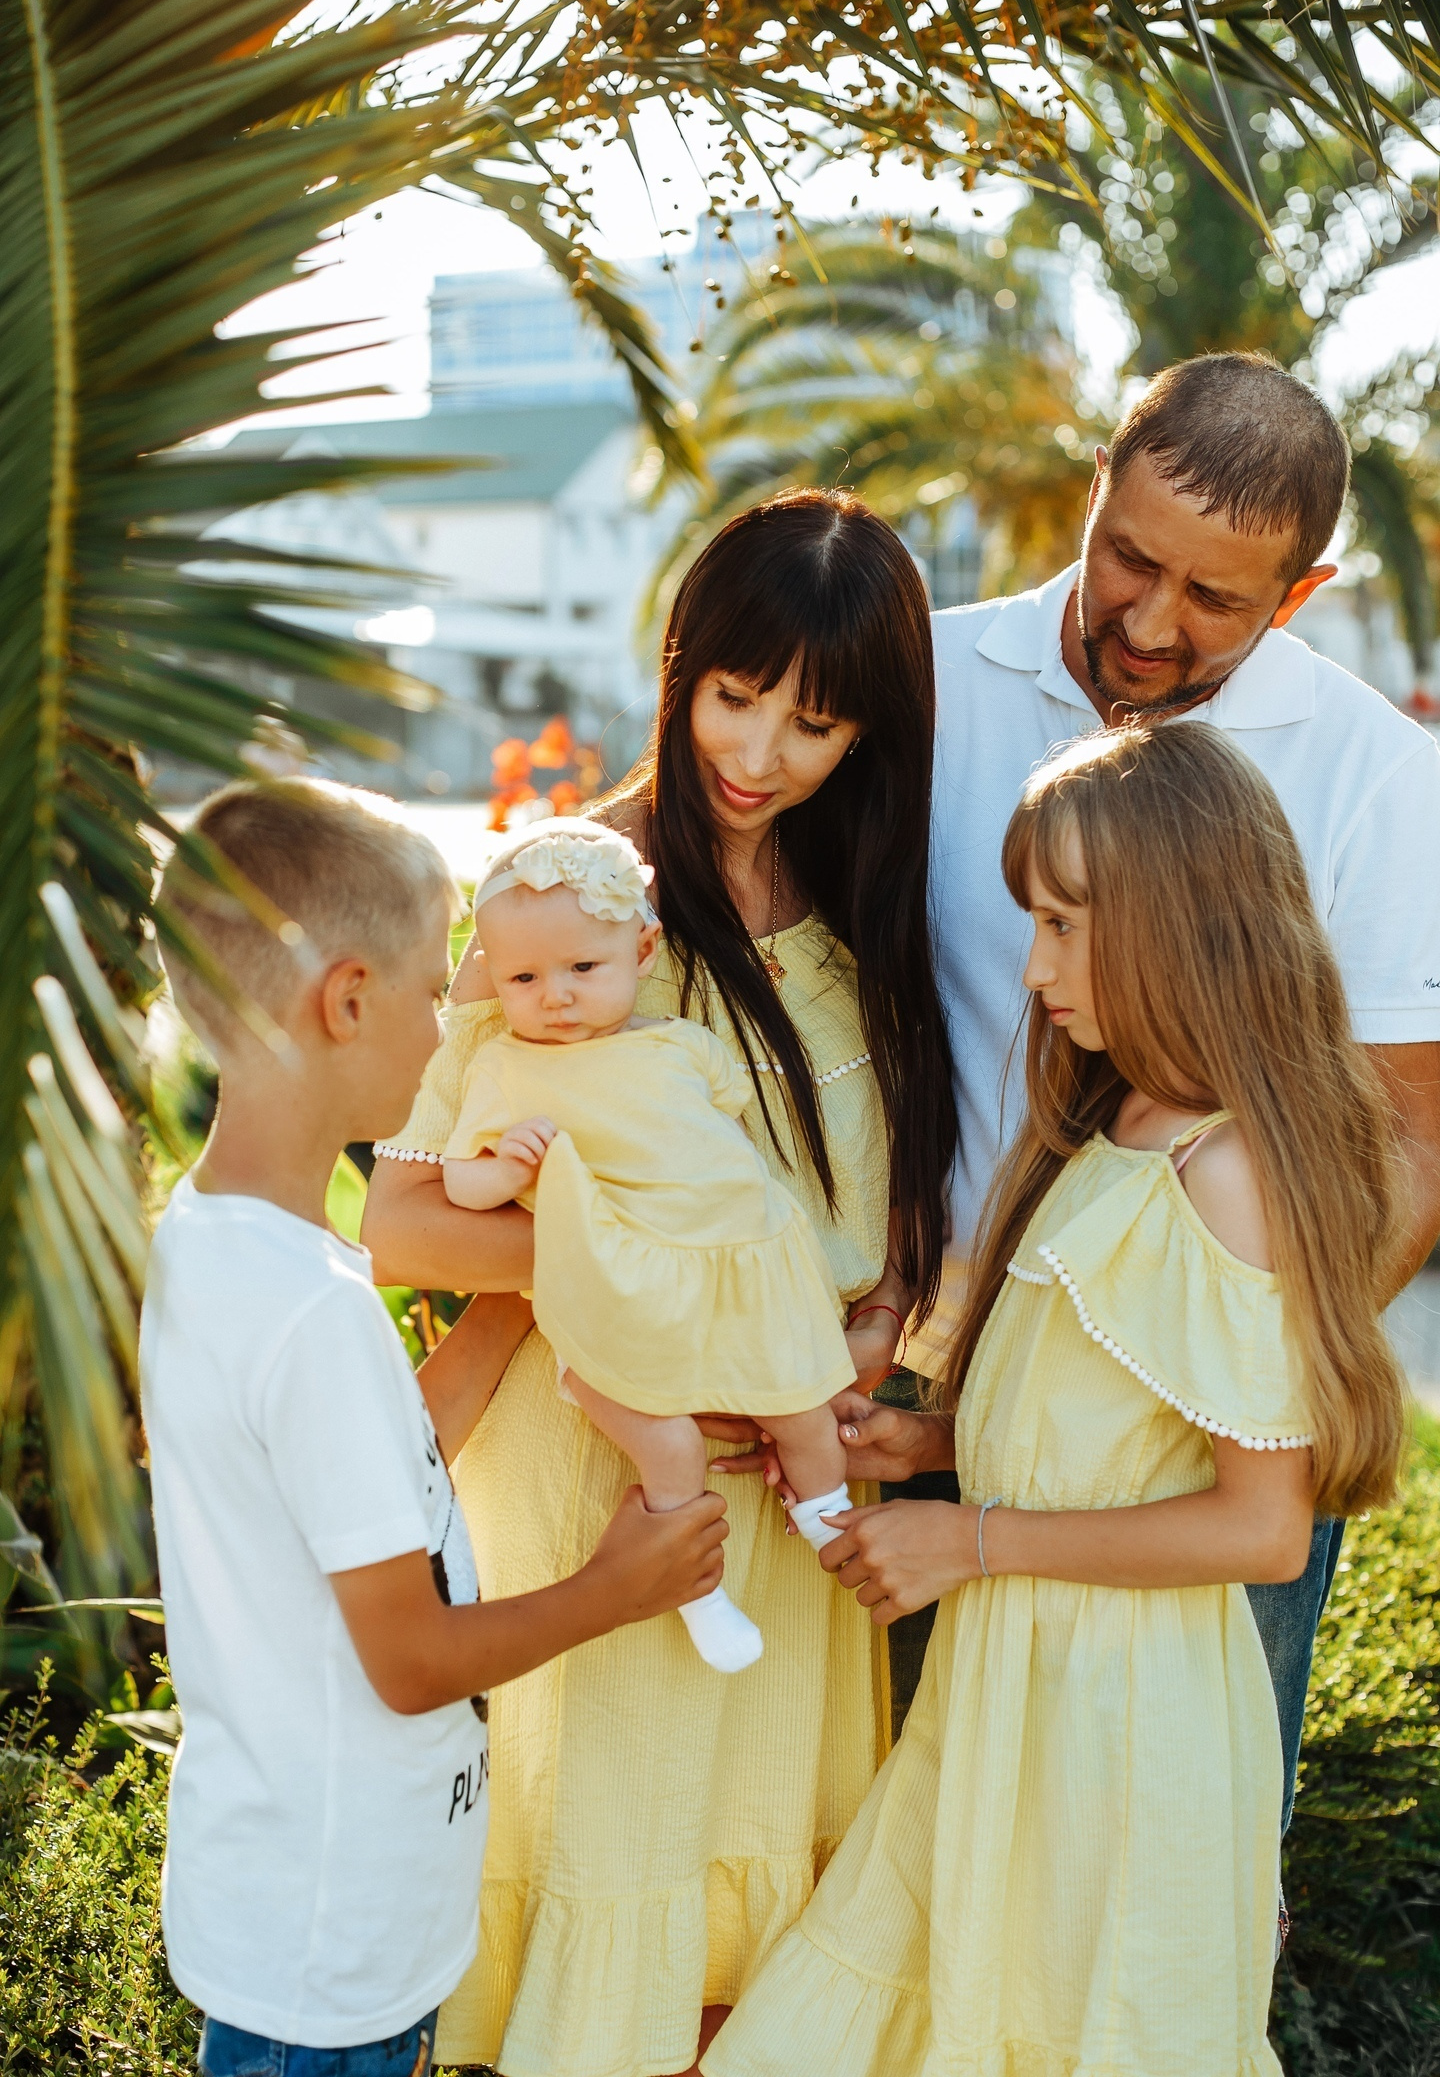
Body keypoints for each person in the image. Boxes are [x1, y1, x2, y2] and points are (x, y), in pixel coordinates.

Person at [703, 720, 1407, 2077]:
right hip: (1018, 1696)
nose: (1034, 970)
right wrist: (931, 1440)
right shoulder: (1116, 1126)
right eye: (1037, 921)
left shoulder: (1226, 1174)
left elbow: (1262, 1529)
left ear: (1182, 924)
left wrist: (966, 1539)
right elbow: (1111, 1431)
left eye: (1069, 926)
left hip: (1118, 1739)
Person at [361, 488, 956, 2077]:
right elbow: (407, 1228)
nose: (758, 754)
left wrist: (868, 1334)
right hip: (612, 1482)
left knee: (751, 1976)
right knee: (609, 1942)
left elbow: (880, 1217)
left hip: (789, 1487)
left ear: (868, 740)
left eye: (814, 725)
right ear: (681, 666)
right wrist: (665, 1310)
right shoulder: (569, 904)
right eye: (734, 696)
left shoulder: (865, 917)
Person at [910, 350, 1440, 1808]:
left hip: (1204, 1457)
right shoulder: (923, 670)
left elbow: (1409, 1143)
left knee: (1172, 1866)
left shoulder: (1379, 778)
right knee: (920, 1858)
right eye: (1129, 558)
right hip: (912, 1402)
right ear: (1094, 489)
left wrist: (1201, 1404)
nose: (1148, 622)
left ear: (1302, 593)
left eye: (1214, 599)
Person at [143, 779, 727, 2077]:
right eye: (431, 991)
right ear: (345, 1002)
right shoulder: (310, 1315)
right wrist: (613, 1589)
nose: (450, 1021)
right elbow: (410, 1663)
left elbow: (369, 1465)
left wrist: (533, 1286)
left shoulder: (229, 1247)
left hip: (310, 1908)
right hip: (329, 1952)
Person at [441, 817, 860, 1674]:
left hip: (732, 1278)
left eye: (581, 969)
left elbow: (729, 1118)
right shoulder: (507, 1070)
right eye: (524, 977)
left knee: (801, 1411)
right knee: (667, 1447)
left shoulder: (682, 1045)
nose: (554, 996)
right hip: (615, 1298)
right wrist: (503, 1163)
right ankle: (698, 1594)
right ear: (493, 974)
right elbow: (460, 1183)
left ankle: (833, 1526)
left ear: (642, 951)